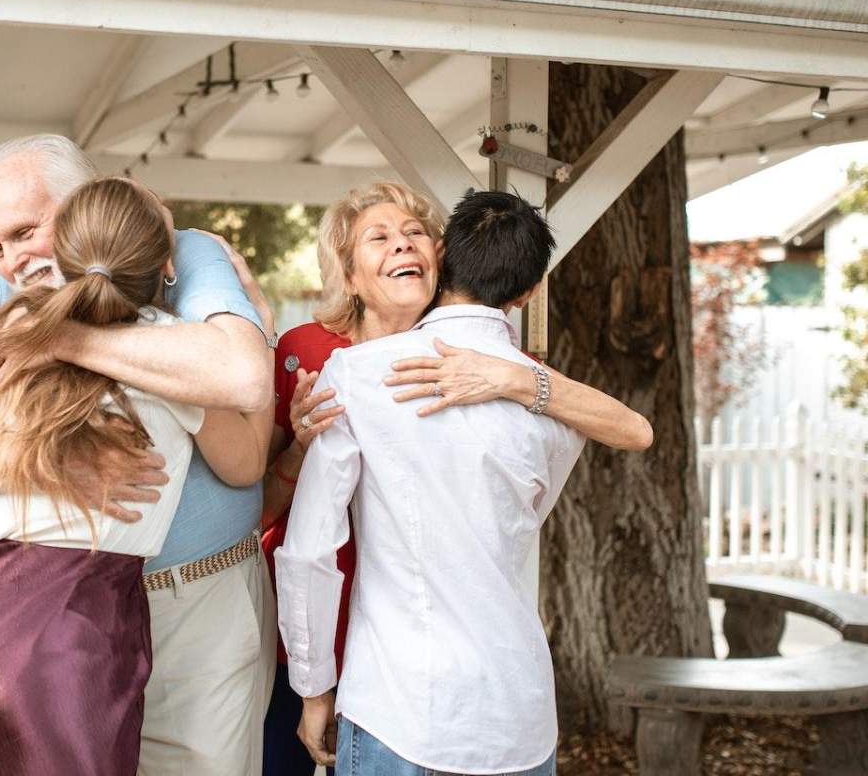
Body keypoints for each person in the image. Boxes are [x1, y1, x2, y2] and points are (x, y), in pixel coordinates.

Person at [0, 135, 277, 775]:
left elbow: (241, 379)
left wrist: (62, 337)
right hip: (69, 626)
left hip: (193, 604)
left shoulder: (187, 252)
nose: (12, 262)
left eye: (25, 231)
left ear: (85, 202)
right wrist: (61, 463)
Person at [260, 182, 652, 775]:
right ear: (530, 291)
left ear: (441, 256)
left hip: (399, 700)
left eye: (413, 233)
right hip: (515, 707)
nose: (402, 246)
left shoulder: (355, 376)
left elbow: (310, 551)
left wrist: (314, 691)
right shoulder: (556, 405)